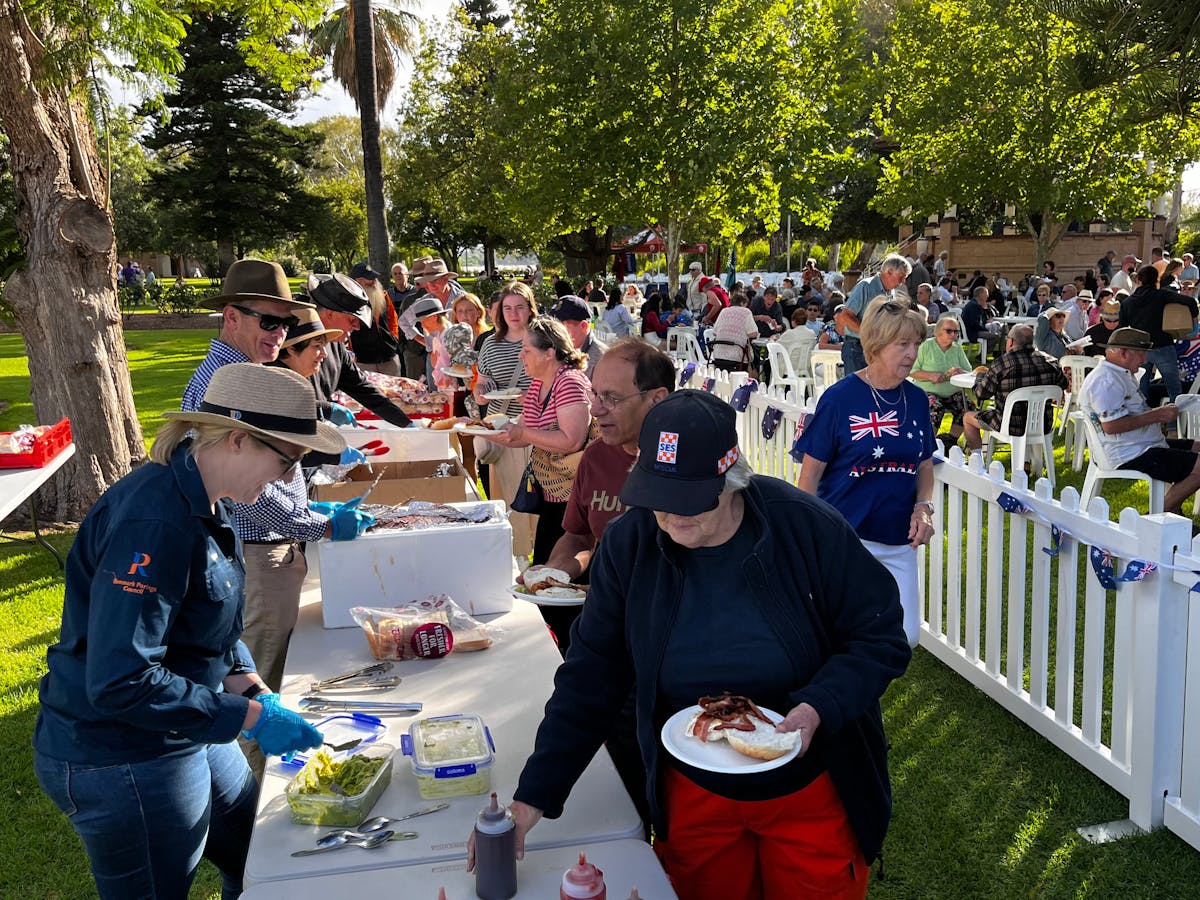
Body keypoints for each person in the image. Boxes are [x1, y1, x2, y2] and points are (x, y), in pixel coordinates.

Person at [472, 389, 911, 898]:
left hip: (809, 783)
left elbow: (879, 636)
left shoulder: (805, 526)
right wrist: (533, 797)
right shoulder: (630, 543)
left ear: (732, 481)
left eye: (689, 501)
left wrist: (817, 707)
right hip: (693, 787)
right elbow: (592, 674)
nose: (672, 516)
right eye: (658, 497)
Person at [33, 364, 344, 899]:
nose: (287, 477)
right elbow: (121, 680)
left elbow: (208, 622)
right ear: (240, 441)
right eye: (287, 459)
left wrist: (248, 682)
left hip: (183, 728)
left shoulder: (208, 495)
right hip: (123, 753)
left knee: (256, 857)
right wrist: (243, 715)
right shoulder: (155, 521)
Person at [795, 296, 936, 647]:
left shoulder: (917, 399)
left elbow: (924, 465)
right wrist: (806, 534)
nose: (911, 353)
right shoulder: (840, 398)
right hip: (846, 537)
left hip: (898, 538)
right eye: (902, 343)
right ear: (876, 344)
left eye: (916, 343)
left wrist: (924, 508)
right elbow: (810, 475)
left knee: (906, 638)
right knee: (843, 639)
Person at [475, 315, 593, 569]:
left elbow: (571, 441)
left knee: (560, 570)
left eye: (527, 350)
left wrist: (521, 434)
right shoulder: (539, 383)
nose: (521, 356)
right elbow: (518, 435)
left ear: (549, 353)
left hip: (574, 496)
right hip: (553, 493)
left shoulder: (569, 382)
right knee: (544, 565)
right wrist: (475, 429)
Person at [1078, 327, 1200, 516]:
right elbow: (1112, 426)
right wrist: (1157, 416)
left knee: (1197, 448)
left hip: (1142, 445)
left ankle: (1173, 513)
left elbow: (1130, 413)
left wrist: (1157, 413)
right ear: (1123, 353)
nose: (1144, 360)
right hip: (1131, 453)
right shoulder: (1107, 380)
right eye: (1141, 353)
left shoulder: (1118, 374)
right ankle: (1159, 514)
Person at [182, 259, 314, 410]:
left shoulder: (237, 373)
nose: (281, 332)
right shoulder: (225, 386)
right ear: (232, 317)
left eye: (289, 323)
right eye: (270, 321)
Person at [475, 281, 539, 558]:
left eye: (520, 308)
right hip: (499, 426)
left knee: (536, 499)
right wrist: (479, 392)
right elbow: (483, 383)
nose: (513, 314)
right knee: (507, 497)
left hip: (534, 427)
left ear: (530, 309)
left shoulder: (541, 339)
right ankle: (514, 555)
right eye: (508, 308)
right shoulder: (490, 343)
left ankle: (539, 553)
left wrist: (531, 397)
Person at [306, 273, 414, 429]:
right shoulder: (295, 342)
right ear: (329, 314)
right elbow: (284, 397)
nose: (357, 327)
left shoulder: (336, 345)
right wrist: (326, 410)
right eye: (352, 320)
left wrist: (404, 422)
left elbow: (361, 387)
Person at [962, 324, 1067, 454]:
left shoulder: (1002, 364)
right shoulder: (1050, 361)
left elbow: (980, 394)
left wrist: (979, 377)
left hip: (1011, 425)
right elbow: (1064, 384)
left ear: (1010, 341)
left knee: (968, 417)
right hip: (1042, 424)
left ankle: (976, 460)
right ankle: (1026, 462)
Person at [1120, 265, 1199, 402]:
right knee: (1174, 390)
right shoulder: (1162, 295)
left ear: (1138, 280)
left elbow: (1122, 329)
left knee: (1140, 390)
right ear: (1156, 280)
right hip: (1163, 346)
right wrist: (1194, 320)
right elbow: (1190, 301)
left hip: (1140, 349)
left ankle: (1144, 420)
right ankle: (1175, 422)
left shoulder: (1127, 302)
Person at [836, 253, 911, 374]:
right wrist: (868, 335)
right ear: (889, 271)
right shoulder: (866, 286)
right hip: (857, 347)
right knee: (858, 389)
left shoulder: (891, 293)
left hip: (876, 348)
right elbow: (845, 315)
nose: (903, 281)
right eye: (901, 277)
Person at [911, 314, 973, 448]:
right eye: (949, 331)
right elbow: (912, 371)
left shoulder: (957, 349)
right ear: (938, 331)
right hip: (928, 390)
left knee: (968, 407)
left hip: (953, 392)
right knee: (934, 407)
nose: (953, 334)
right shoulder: (925, 347)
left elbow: (970, 371)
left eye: (956, 331)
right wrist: (930, 376)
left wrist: (961, 373)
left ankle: (948, 441)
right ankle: (929, 444)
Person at [348, 261, 402, 375]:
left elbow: (393, 319)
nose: (374, 281)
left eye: (374, 277)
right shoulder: (348, 302)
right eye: (369, 278)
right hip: (364, 362)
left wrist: (394, 338)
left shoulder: (383, 295)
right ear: (358, 281)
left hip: (389, 358)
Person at [551, 294, 608, 376]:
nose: (555, 332)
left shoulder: (602, 361)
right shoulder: (556, 352)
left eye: (560, 327)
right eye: (553, 326)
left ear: (584, 327)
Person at [709, 291, 758, 372]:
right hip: (737, 356)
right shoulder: (746, 312)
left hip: (718, 354)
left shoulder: (724, 311)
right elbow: (753, 333)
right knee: (755, 357)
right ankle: (755, 379)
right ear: (743, 303)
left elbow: (715, 332)